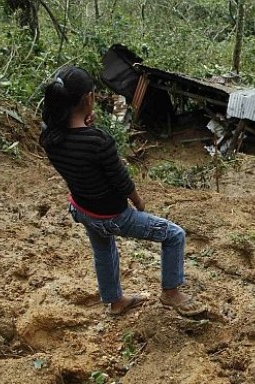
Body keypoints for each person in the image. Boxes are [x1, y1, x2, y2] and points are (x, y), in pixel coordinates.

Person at [40, 66, 206, 317]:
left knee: (103, 250)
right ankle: (170, 292)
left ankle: (116, 301)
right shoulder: (98, 141)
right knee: (174, 236)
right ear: (89, 99)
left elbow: (77, 148)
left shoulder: (49, 137)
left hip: (83, 210)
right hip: (114, 216)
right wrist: (139, 203)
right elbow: (121, 181)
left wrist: (84, 125)